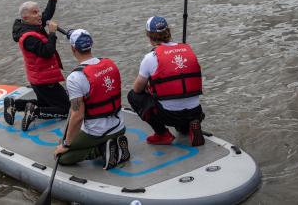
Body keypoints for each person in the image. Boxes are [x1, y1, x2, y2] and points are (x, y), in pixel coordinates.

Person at [54, 29, 130, 170]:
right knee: (67, 142)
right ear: (91, 45)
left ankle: (101, 149)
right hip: (119, 127)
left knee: (62, 156)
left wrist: (65, 144)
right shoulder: (110, 64)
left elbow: (77, 116)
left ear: (73, 48)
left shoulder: (75, 77)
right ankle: (112, 143)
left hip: (96, 132)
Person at [127, 16, 205, 146]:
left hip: (170, 115)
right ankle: (191, 125)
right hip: (195, 111)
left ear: (149, 36)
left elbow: (137, 89)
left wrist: (151, 86)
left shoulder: (150, 57)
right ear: (169, 32)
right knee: (182, 101)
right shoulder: (188, 49)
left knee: (133, 96)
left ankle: (162, 134)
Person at [3, 0, 70, 131]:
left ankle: (16, 105)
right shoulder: (29, 37)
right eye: (35, 12)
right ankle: (34, 112)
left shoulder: (32, 25)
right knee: (66, 109)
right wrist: (52, 34)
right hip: (44, 80)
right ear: (25, 17)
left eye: (38, 11)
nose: (39, 14)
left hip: (38, 78)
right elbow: (47, 52)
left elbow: (47, 14)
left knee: (48, 104)